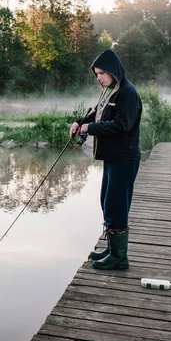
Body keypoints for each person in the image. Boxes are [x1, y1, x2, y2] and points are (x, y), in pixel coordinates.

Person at [69, 49, 142, 270]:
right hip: (112, 158)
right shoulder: (110, 91)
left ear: (113, 71)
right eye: (96, 73)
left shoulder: (127, 93)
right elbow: (100, 114)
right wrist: (79, 122)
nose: (99, 77)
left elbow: (122, 124)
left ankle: (120, 258)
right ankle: (112, 249)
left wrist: (89, 128)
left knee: (116, 205)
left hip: (124, 158)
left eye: (102, 73)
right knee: (107, 202)